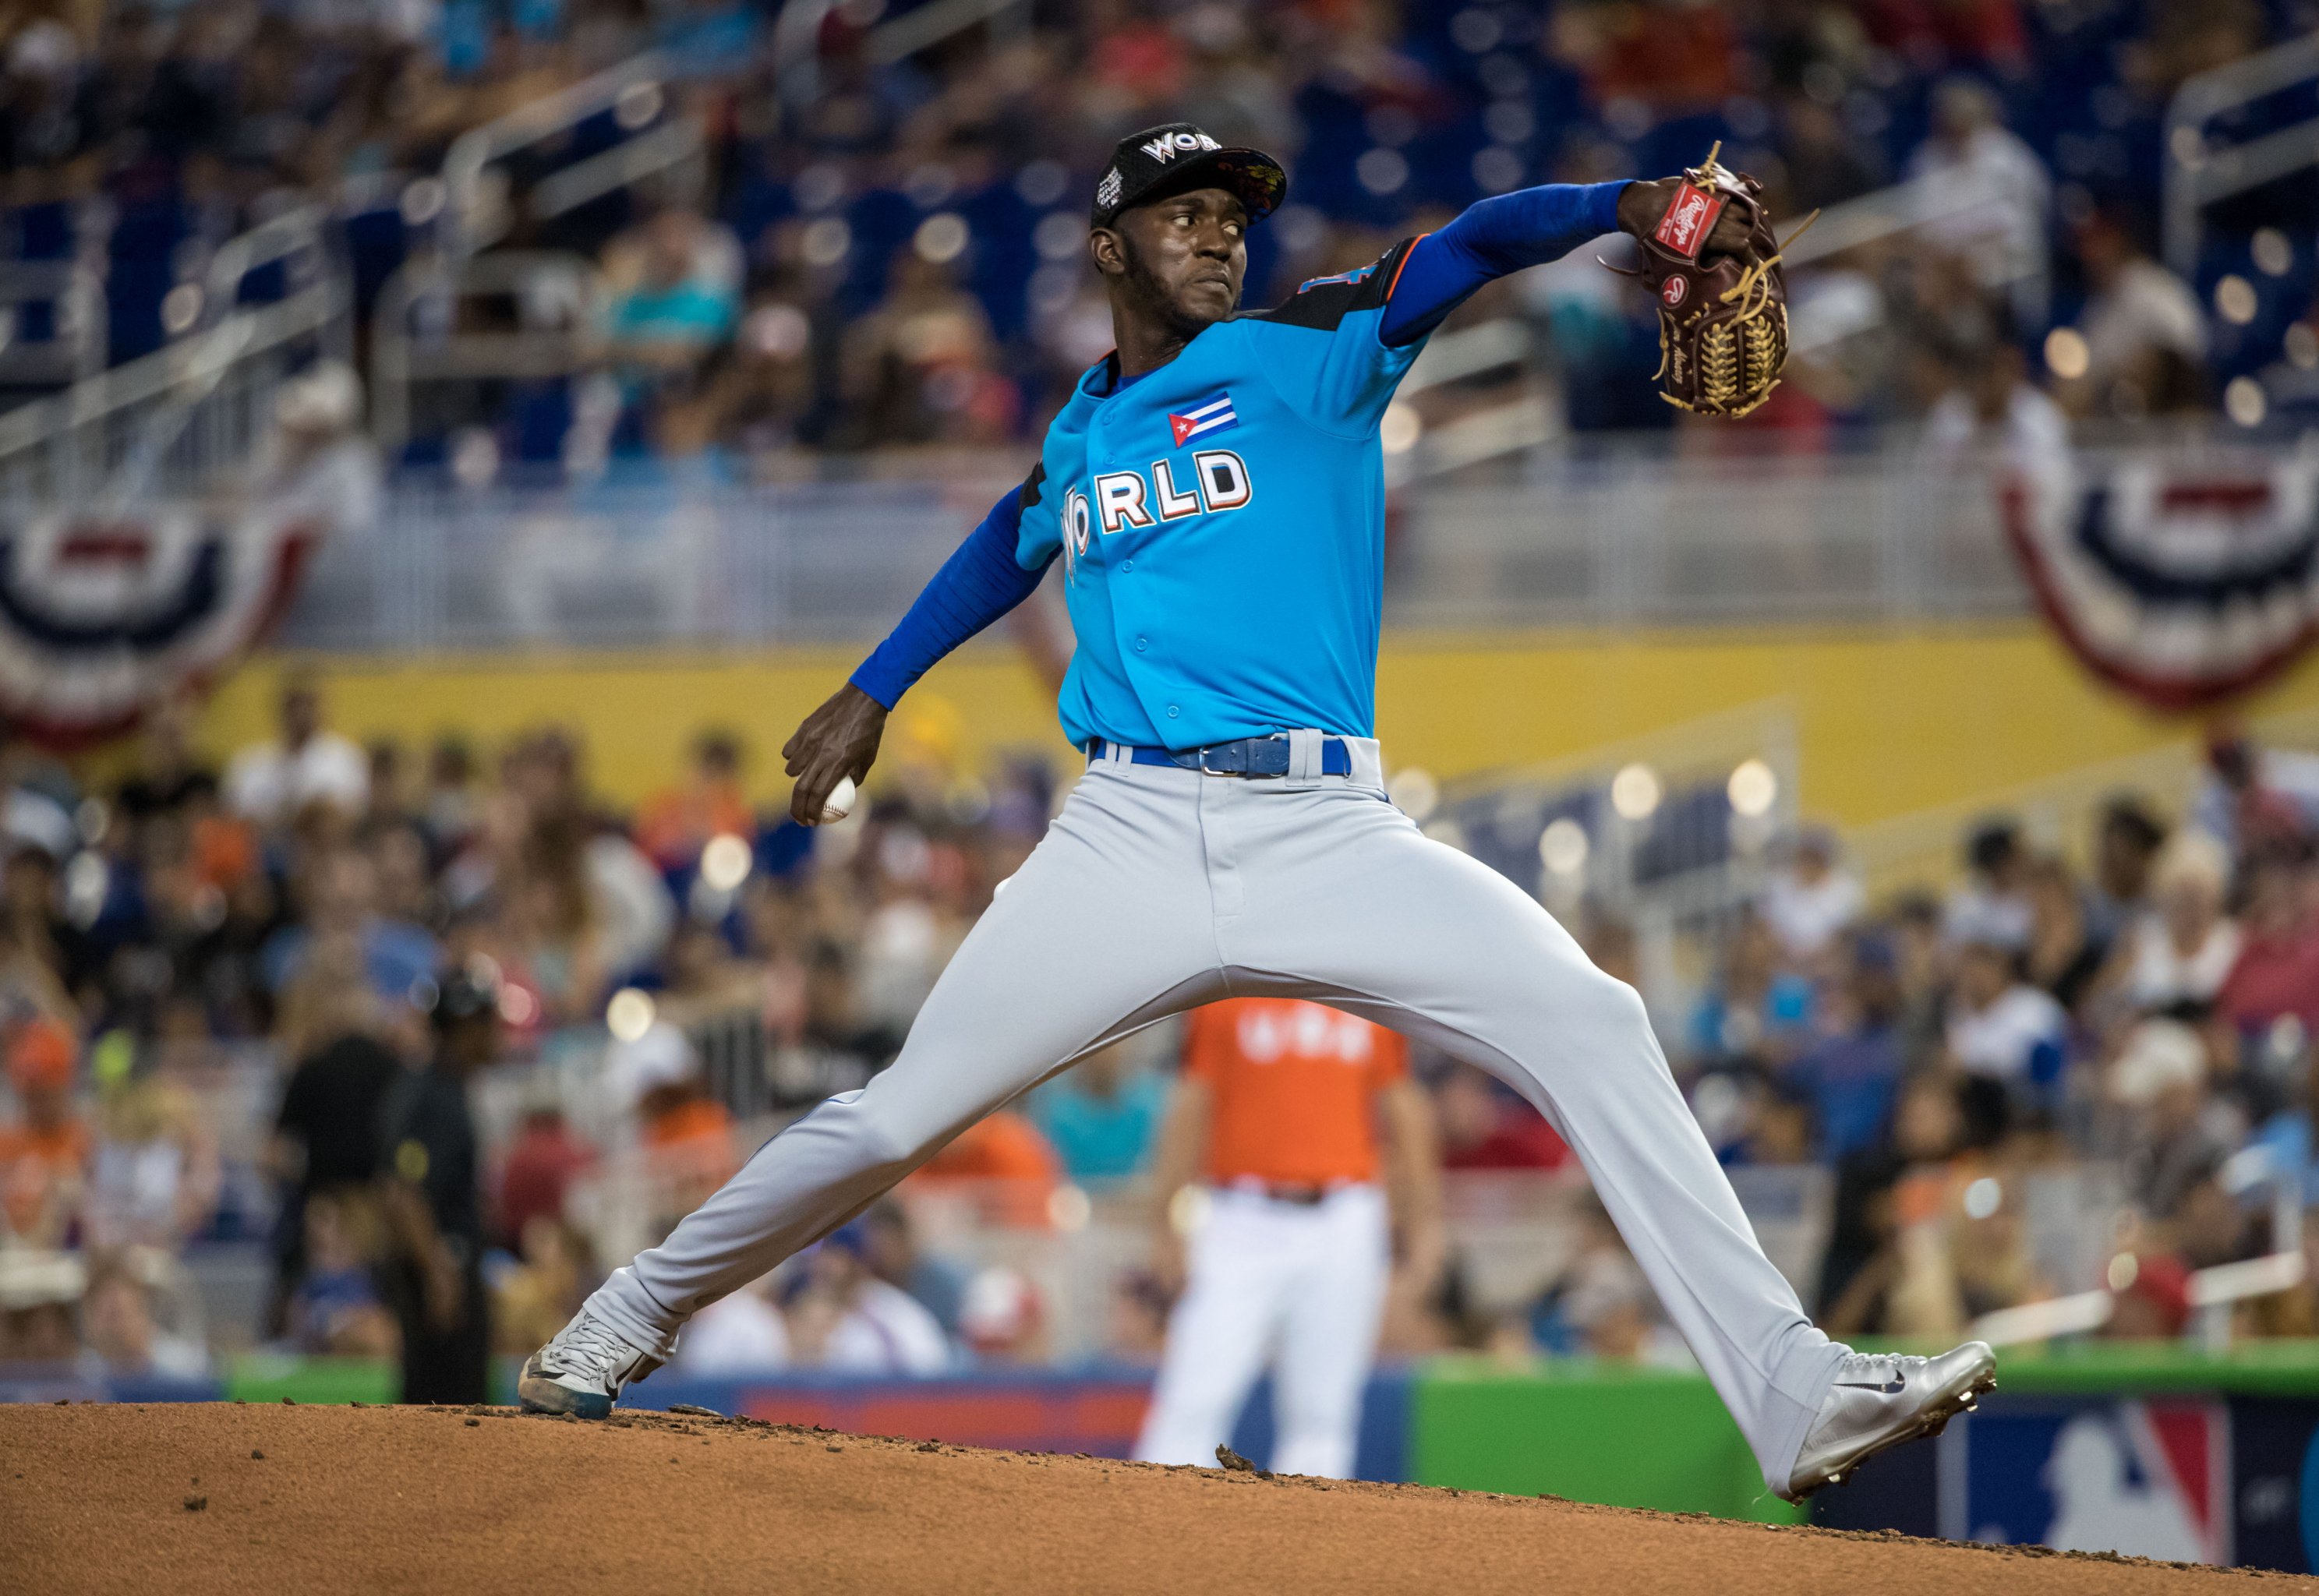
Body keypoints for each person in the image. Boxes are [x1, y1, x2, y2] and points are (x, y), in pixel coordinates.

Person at [520, 119, 1995, 1504]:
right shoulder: (1086, 428)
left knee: (1594, 1018)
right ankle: (621, 1315)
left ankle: (1795, 1394)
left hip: (1330, 828)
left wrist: (1627, 206)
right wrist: (877, 686)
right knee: (897, 1110)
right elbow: (1007, 537)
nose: (1220, 237)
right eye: (1186, 216)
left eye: (1233, 217)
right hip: (1128, 834)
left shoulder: (1312, 346)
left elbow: (1475, 240)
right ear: (1112, 249)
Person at [1134, 998, 1441, 1478]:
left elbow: (1401, 1103)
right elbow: (1192, 1102)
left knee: (1324, 1411)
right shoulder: (1229, 993)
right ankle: (1153, 1536)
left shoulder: (1361, 992)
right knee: (1195, 1392)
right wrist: (1166, 1223)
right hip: (1241, 1213)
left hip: (1345, 1214)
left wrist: (1421, 1222)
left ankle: (1306, 1549)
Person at [379, 964, 498, 1404]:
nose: (495, 1033)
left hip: (448, 1264)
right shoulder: (429, 1097)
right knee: (442, 1406)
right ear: (465, 1028)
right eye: (487, 1022)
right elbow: (403, 1190)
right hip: (438, 1268)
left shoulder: (449, 1091)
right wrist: (437, 1273)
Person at [222, 676, 368, 827]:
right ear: (280, 708)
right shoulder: (249, 763)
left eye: (308, 704)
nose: (301, 712)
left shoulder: (347, 759)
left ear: (321, 708)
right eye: (294, 703)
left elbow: (355, 814)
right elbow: (233, 816)